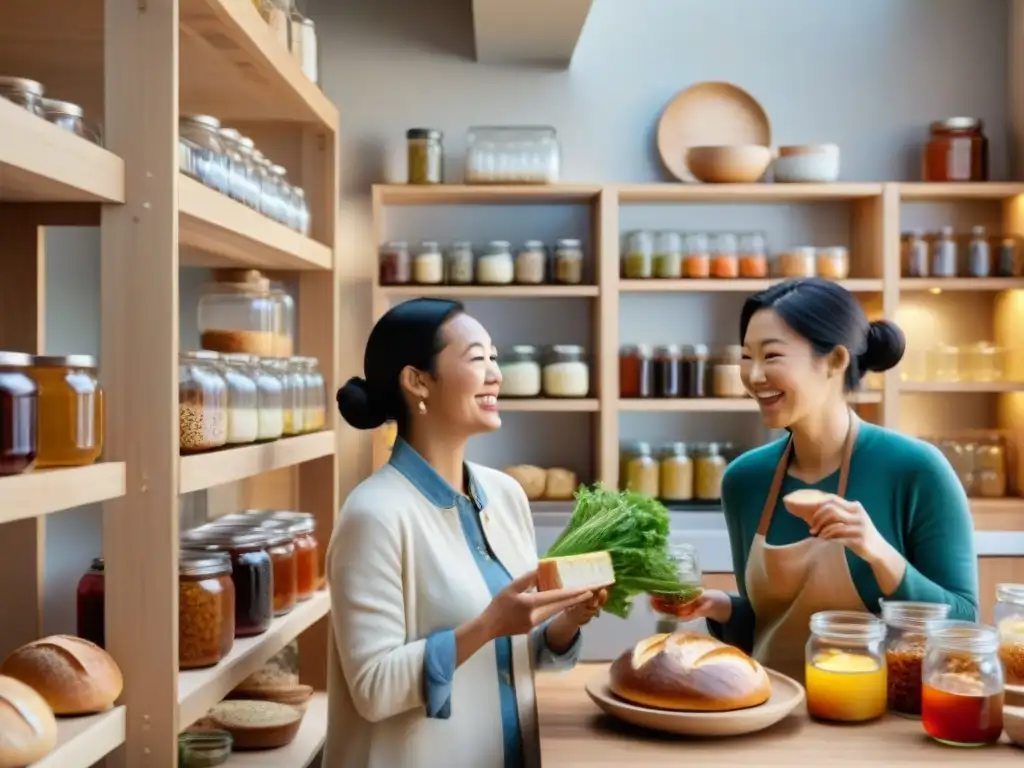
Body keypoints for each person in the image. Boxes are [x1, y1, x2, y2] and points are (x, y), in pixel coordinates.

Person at [323, 297, 608, 768]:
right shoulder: (372, 516)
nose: (496, 373)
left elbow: (506, 660)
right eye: (478, 359)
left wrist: (565, 622)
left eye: (494, 358)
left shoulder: (506, 494)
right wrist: (489, 624)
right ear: (417, 380)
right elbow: (372, 688)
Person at [674, 278, 978, 682]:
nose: (753, 375)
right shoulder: (745, 481)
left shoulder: (917, 469)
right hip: (772, 710)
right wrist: (722, 608)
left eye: (772, 356)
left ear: (835, 361)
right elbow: (769, 627)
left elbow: (963, 625)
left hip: (880, 718)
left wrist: (877, 550)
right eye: (746, 357)